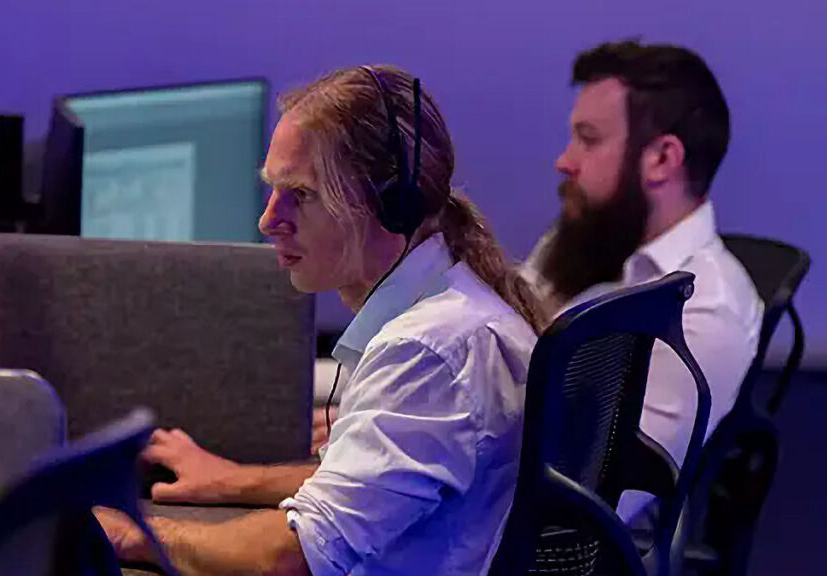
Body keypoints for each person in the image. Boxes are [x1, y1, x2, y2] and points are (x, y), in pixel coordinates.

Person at [94, 65, 545, 576]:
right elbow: (372, 483)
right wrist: (232, 480)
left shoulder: (428, 351)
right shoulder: (456, 308)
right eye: (272, 190)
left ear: (389, 204)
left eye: (301, 194)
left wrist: (137, 534)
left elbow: (293, 556)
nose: (268, 220)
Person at [520, 40, 763, 516]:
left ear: (662, 159)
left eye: (588, 139)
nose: (564, 160)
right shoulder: (586, 240)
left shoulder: (705, 313)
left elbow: (594, 500)